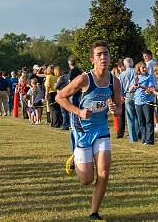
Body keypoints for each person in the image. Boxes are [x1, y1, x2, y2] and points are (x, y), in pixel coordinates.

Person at [56, 40, 122, 221]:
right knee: (86, 180)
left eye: (106, 54)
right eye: (99, 54)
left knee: (104, 173)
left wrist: (115, 110)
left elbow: (119, 109)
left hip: (101, 129)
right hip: (82, 129)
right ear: (92, 59)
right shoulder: (84, 79)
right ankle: (75, 157)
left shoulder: (115, 82)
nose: (103, 57)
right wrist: (79, 111)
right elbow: (60, 96)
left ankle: (94, 213)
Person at [130, 61, 155, 145]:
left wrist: (141, 86)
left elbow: (151, 88)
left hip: (147, 101)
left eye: (145, 67)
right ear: (139, 69)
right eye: (143, 67)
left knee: (149, 121)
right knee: (141, 122)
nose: (145, 69)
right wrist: (134, 84)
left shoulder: (149, 77)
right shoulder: (136, 77)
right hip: (137, 102)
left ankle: (149, 140)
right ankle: (144, 139)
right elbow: (130, 90)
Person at [119, 57, 139, 142]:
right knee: (137, 116)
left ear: (124, 64)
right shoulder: (137, 72)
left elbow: (120, 87)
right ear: (132, 63)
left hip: (128, 94)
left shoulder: (122, 74)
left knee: (130, 117)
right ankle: (138, 135)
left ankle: (133, 138)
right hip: (138, 94)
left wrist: (122, 95)